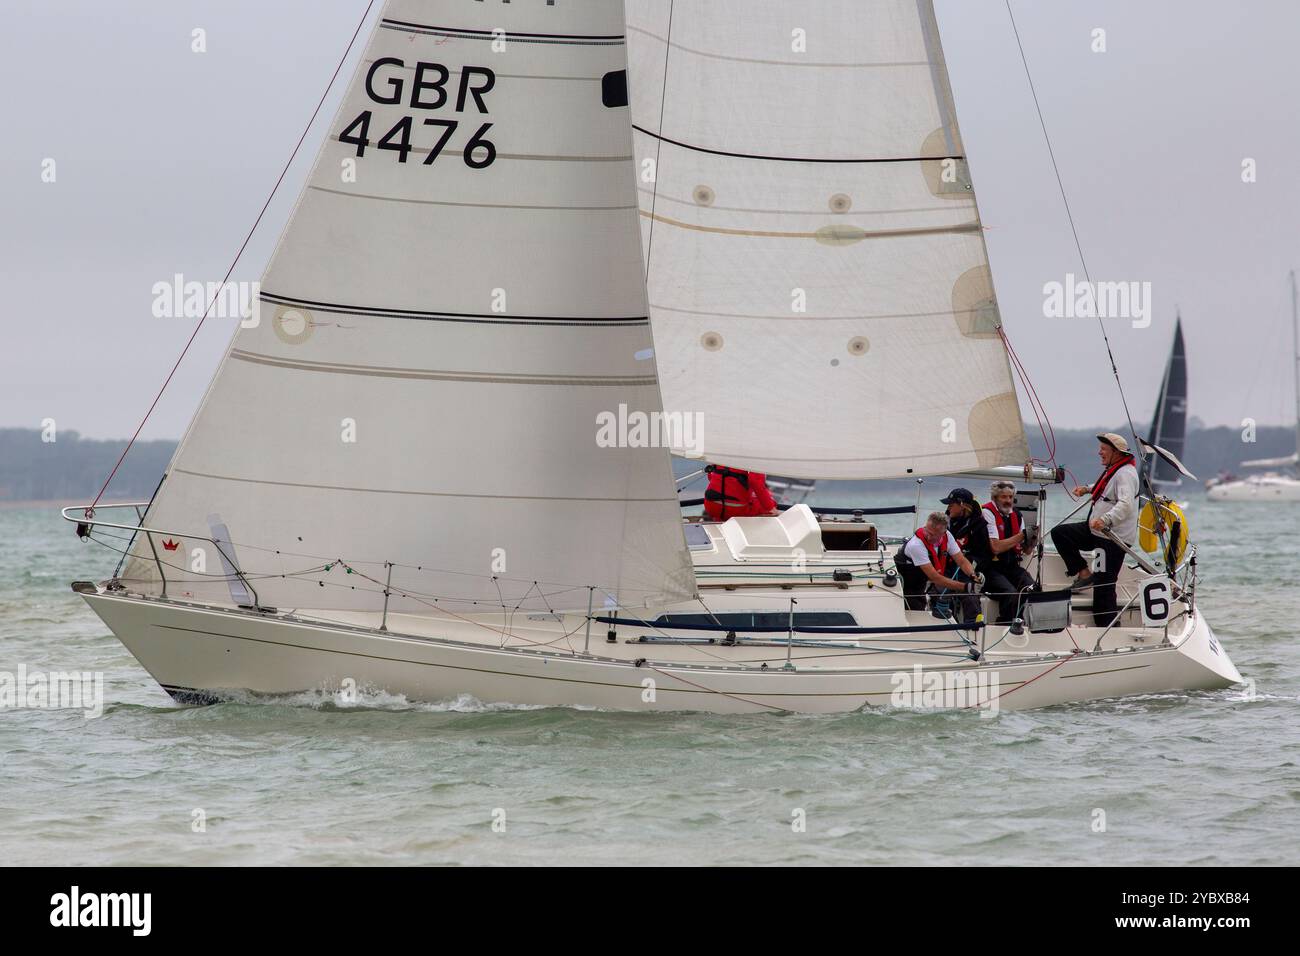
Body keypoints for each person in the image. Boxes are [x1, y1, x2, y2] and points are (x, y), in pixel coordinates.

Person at [1050, 432, 1139, 627]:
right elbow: (1106, 487)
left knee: (1104, 587)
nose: (1099, 452)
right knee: (1060, 534)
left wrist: (1106, 519)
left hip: (1111, 538)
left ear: (1116, 452)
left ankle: (1108, 629)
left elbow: (1126, 505)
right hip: (1096, 531)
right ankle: (1084, 574)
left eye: (1103, 449)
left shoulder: (1126, 474)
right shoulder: (1114, 469)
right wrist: (1087, 489)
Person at [894, 511, 982, 624]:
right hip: (909, 583)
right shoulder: (916, 545)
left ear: (943, 532)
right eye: (927, 531)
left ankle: (968, 625)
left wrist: (973, 575)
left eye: (933, 535)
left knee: (962, 596)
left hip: (925, 577)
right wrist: (966, 587)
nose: (928, 536)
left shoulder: (947, 536)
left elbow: (961, 560)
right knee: (915, 612)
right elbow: (935, 578)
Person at [981, 480, 1038, 624]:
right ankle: (1005, 623)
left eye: (1010, 497)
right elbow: (995, 547)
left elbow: (1026, 550)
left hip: (1011, 565)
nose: (1008, 501)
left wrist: (1032, 540)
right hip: (990, 568)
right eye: (1004, 497)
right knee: (1010, 593)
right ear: (995, 498)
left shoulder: (1017, 515)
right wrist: (1022, 535)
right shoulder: (987, 513)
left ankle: (1019, 619)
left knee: (1031, 587)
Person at [702, 464, 779, 520]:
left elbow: (711, 476)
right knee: (771, 504)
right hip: (737, 510)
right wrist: (770, 508)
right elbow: (755, 481)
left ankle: (719, 521)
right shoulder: (754, 454)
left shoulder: (723, 450)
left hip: (711, 507)